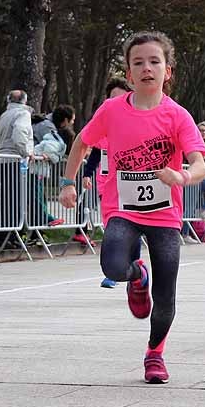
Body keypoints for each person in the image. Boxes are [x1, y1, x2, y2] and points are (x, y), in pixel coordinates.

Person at [59, 31, 205, 384]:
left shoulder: (178, 116)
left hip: (164, 215)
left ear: (167, 71)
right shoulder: (112, 110)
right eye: (138, 62)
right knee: (113, 265)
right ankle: (136, 275)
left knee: (166, 294)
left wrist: (184, 176)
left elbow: (199, 163)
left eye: (154, 61)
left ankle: (155, 354)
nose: (146, 68)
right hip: (122, 209)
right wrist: (67, 183)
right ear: (128, 74)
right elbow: (82, 142)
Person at [82, 77, 137, 285]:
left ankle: (133, 269)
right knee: (113, 229)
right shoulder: (104, 127)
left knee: (132, 230)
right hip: (107, 185)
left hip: (131, 185)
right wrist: (86, 174)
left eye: (120, 97)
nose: (116, 101)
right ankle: (114, 271)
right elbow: (95, 155)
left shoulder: (137, 126)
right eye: (111, 97)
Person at [0, 90, 34, 247]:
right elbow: (19, 133)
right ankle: (10, 236)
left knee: (7, 199)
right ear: (24, 100)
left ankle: (3, 235)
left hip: (4, 159)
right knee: (15, 200)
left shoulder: (5, 115)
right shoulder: (23, 115)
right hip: (16, 160)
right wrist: (27, 152)